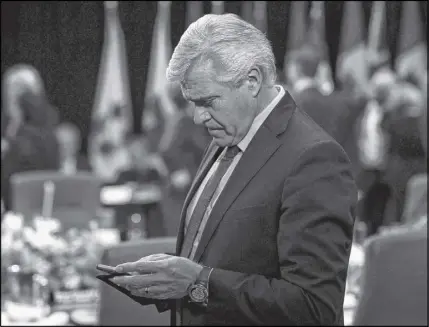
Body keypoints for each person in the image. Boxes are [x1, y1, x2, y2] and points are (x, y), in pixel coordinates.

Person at [111, 14, 357, 326]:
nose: (199, 117)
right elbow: (221, 256)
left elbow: (313, 307)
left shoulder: (315, 159)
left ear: (252, 80)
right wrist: (167, 281)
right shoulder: (226, 133)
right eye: (192, 103)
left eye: (208, 101)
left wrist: (197, 283)